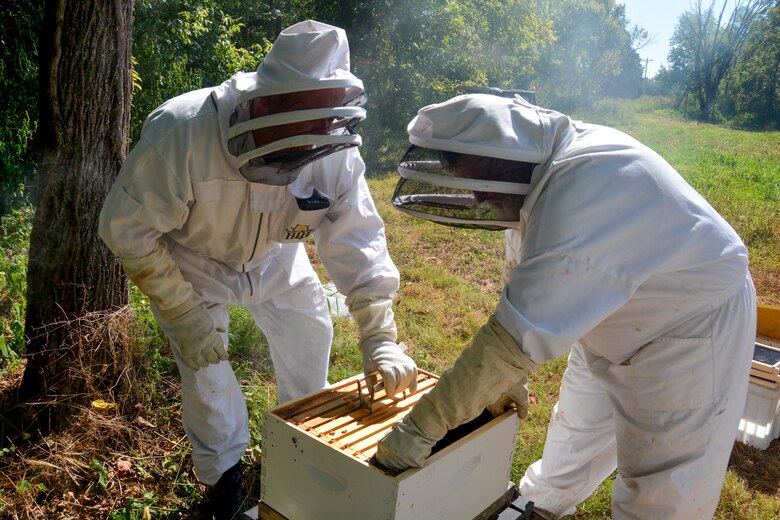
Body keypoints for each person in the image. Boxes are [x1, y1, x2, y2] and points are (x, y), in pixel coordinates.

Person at [374, 93, 756, 519]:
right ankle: (536, 509)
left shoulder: (583, 183)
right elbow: (521, 290)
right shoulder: (537, 178)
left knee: (664, 488)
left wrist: (421, 428)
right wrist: (499, 382)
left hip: (687, 327)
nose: (479, 197)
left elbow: (510, 342)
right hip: (612, 315)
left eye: (481, 180)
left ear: (507, 158)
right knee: (575, 435)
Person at [99, 20, 417, 519]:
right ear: (266, 101)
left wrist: (379, 335)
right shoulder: (183, 132)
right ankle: (225, 480)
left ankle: (302, 446)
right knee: (207, 373)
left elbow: (356, 238)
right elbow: (126, 228)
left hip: (277, 258)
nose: (305, 142)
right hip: (195, 263)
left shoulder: (336, 153)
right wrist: (182, 311)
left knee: (309, 335)